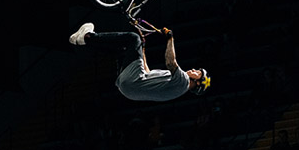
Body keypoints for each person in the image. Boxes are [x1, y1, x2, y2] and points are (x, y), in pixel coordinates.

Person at [69, 23, 211, 102]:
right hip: (127, 89)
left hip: (132, 81)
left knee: (133, 38)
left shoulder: (183, 82)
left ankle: (89, 36)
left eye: (198, 73)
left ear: (198, 83)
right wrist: (142, 48)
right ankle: (83, 41)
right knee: (122, 50)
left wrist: (170, 38)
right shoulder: (175, 87)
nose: (194, 70)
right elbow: (146, 71)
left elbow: (170, 62)